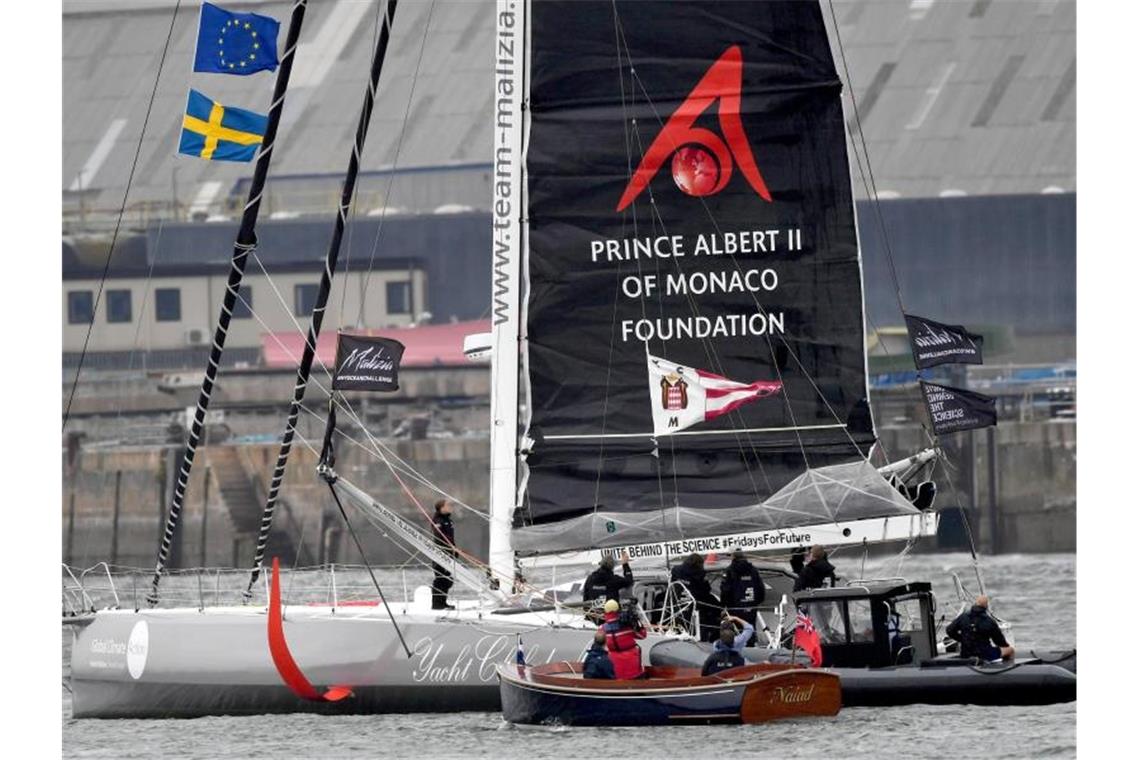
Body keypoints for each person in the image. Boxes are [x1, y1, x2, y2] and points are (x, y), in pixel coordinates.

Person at [670, 553, 721, 642]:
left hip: (677, 608)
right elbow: (705, 592)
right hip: (694, 611)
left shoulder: (676, 571)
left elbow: (672, 585)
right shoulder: (698, 575)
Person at [946, 595, 1015, 661]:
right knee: (1010, 650)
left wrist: (962, 639)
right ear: (986, 606)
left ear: (975, 603)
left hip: (966, 653)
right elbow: (999, 641)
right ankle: (1004, 669)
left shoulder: (963, 617)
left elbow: (949, 630)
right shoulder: (989, 621)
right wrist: (1006, 646)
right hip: (985, 654)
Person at [719, 548, 766, 644]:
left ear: (733, 556)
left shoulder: (729, 571)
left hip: (735, 608)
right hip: (751, 607)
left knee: (735, 633)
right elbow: (761, 589)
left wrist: (723, 606)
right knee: (750, 630)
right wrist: (756, 603)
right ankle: (751, 646)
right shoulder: (753, 570)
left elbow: (725, 591)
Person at [600, 598, 647, 679]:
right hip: (633, 671)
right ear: (618, 610)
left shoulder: (602, 628)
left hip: (614, 671)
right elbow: (642, 635)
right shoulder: (627, 626)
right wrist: (637, 623)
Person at [582, 552, 633, 619]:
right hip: (611, 619)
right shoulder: (614, 580)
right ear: (612, 567)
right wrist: (625, 564)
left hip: (593, 618)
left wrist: (587, 615)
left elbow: (585, 597)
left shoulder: (590, 578)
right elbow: (629, 581)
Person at [430, 499, 457, 610]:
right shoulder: (437, 520)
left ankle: (443, 602)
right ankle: (437, 604)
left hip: (449, 552)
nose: (451, 507)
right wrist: (448, 548)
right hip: (440, 552)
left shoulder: (449, 520)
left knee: (447, 579)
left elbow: (451, 538)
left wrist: (454, 550)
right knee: (440, 578)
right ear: (441, 508)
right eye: (448, 505)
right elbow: (440, 537)